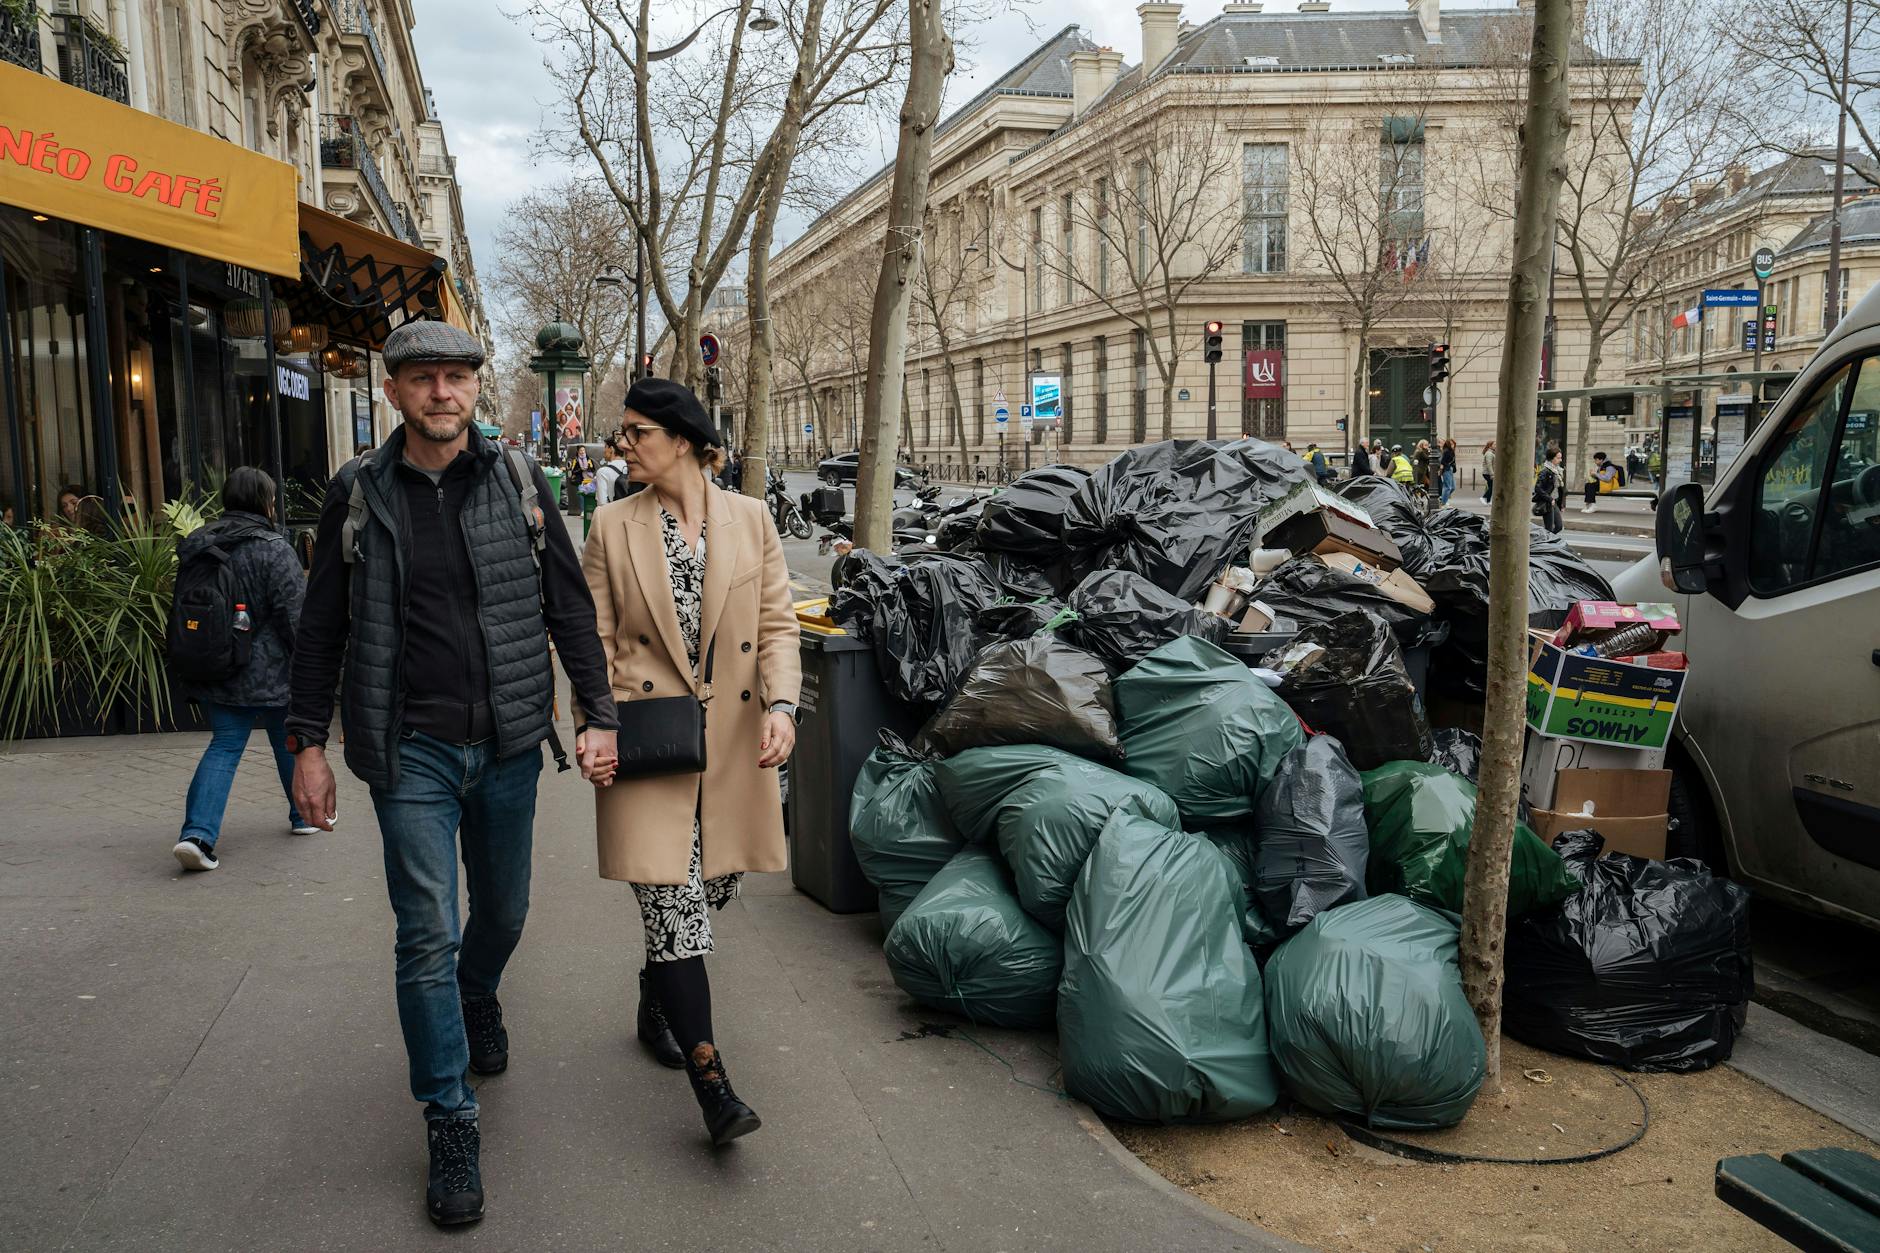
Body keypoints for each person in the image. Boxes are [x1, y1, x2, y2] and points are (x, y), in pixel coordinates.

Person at [286, 321, 620, 1227]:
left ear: (478, 386)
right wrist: (305, 744)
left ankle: (479, 995)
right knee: (425, 931)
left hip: (511, 740)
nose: (443, 392)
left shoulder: (519, 481)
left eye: (458, 377)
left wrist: (597, 713)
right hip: (410, 753)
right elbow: (320, 628)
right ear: (392, 391)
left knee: (504, 913)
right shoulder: (359, 492)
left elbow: (570, 610)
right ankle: (449, 1115)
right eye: (424, 378)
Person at [580, 377, 801, 1149]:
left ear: (681, 438)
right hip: (647, 744)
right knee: (674, 908)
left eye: (637, 430)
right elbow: (592, 639)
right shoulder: (612, 525)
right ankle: (712, 1082)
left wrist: (782, 706)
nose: (624, 443)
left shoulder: (753, 518)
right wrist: (592, 725)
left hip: (733, 746)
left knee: (712, 892)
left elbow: (776, 625)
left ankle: (656, 991)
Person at [171, 468, 310, 872]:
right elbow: (295, 616)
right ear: (266, 502)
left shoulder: (201, 544)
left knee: (225, 746)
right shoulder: (273, 548)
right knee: (287, 739)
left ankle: (196, 836)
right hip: (271, 673)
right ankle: (303, 815)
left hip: (217, 666)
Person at [1535, 447, 1565, 534]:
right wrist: (1549, 499)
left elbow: (1559, 489)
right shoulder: (1545, 471)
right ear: (1552, 458)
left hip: (1554, 501)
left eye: (1561, 458)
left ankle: (1546, 541)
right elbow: (1538, 488)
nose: (1560, 460)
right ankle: (1546, 543)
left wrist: (1561, 504)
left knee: (1559, 526)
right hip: (1547, 502)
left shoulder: (1557, 471)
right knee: (1549, 528)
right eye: (1558, 458)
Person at [595, 433, 631, 506]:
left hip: (612, 513)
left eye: (605, 447)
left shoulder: (602, 472)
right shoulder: (631, 468)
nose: (604, 451)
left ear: (611, 449)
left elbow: (602, 502)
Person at [1439, 438, 1458, 504]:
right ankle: (1443, 503)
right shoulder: (1446, 451)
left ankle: (1443, 497)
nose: (1453, 445)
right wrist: (1449, 466)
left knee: (1453, 487)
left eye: (1453, 444)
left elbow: (1453, 461)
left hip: (1450, 470)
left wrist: (1454, 468)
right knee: (1447, 487)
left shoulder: (1452, 451)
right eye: (1451, 444)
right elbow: (1442, 461)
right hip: (1446, 470)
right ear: (1448, 445)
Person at [1481, 440, 1497, 504]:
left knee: (1491, 486)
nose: (1496, 446)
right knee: (1493, 486)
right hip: (1488, 473)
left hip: (1488, 473)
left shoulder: (1492, 453)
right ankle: (1484, 497)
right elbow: (1489, 464)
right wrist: (1492, 474)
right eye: (1494, 445)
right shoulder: (1489, 453)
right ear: (1490, 446)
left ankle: (1488, 500)